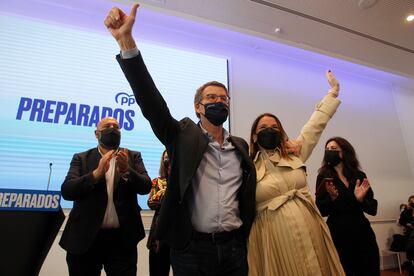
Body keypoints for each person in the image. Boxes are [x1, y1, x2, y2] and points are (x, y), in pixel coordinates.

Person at [104, 4, 257, 276]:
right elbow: (150, 101)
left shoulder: (241, 147)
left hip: (234, 248)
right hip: (192, 249)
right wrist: (126, 43)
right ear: (198, 107)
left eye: (224, 99)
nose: (218, 102)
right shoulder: (181, 136)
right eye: (211, 98)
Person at [247, 71, 345, 276]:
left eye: (275, 127)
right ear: (255, 136)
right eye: (263, 127)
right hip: (273, 239)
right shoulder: (247, 166)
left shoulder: (294, 155)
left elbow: (314, 126)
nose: (270, 130)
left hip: (311, 230)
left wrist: (332, 94)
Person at [59, 116, 152, 276]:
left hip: (122, 241)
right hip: (85, 239)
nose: (112, 129)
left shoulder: (132, 156)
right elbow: (67, 190)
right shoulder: (81, 158)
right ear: (97, 134)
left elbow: (145, 187)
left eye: (116, 127)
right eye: (107, 126)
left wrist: (127, 171)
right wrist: (96, 174)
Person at [315, 136, 379, 276]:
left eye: (333, 149)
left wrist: (360, 200)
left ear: (343, 152)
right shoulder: (324, 176)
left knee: (369, 268)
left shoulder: (359, 175)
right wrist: (332, 198)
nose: (329, 151)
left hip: (362, 232)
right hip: (338, 233)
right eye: (327, 149)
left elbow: (373, 209)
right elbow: (321, 210)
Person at [147, 150, 171, 276]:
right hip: (159, 236)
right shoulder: (157, 181)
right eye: (165, 158)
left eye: (170, 157)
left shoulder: (184, 181)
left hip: (179, 235)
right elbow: (151, 203)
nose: (167, 161)